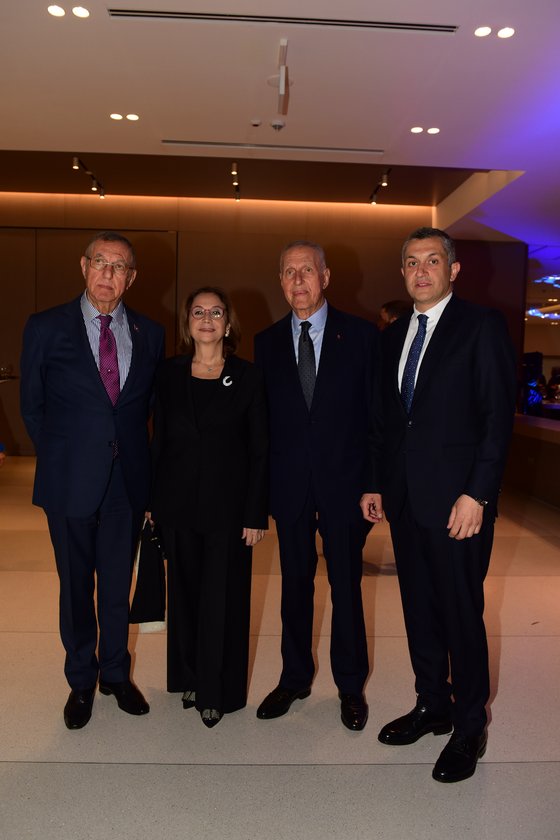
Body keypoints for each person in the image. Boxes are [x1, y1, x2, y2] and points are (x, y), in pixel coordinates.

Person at [361, 227, 516, 783]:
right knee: (419, 609)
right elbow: (384, 421)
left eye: (432, 260)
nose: (420, 270)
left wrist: (478, 494)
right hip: (406, 500)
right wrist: (375, 483)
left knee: (460, 614)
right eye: (411, 262)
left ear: (453, 270)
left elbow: (497, 418)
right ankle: (432, 704)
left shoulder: (481, 326)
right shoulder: (393, 335)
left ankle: (470, 725)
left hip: (459, 505)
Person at [20, 231, 165, 730]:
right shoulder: (45, 327)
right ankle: (81, 680)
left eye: (119, 266)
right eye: (100, 262)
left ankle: (116, 674)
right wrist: (63, 460)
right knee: (76, 586)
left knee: (117, 586)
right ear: (84, 267)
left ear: (131, 277)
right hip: (69, 481)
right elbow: (32, 407)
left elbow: (148, 409)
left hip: (127, 483)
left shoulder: (150, 333)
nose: (108, 273)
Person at [254, 240, 378, 731]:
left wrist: (374, 483)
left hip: (345, 483)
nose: (298, 280)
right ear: (280, 282)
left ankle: (350, 686)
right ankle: (294, 678)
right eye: (289, 272)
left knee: (346, 586)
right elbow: (262, 425)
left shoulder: (361, 335)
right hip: (289, 485)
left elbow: (376, 417)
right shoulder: (266, 342)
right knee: (294, 586)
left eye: (307, 270)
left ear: (325, 277)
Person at [149, 287, 268, 728]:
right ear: (187, 323)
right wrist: (152, 502)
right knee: (184, 595)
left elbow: (260, 450)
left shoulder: (248, 376)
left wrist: (256, 512)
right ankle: (190, 677)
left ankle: (219, 692)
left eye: (216, 312)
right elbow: (159, 440)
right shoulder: (168, 373)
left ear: (228, 324)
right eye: (198, 312)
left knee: (223, 599)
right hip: (177, 503)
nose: (206, 319)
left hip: (229, 509)